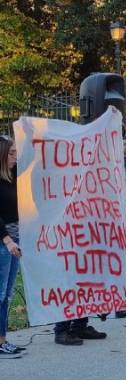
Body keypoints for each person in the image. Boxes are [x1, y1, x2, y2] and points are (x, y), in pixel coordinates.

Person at [0, 136, 24, 355]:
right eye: (11, 153)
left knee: (6, 295)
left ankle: (3, 339)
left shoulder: (13, 176)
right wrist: (7, 240)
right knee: (0, 294)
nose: (15, 157)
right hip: (4, 243)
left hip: (15, 242)